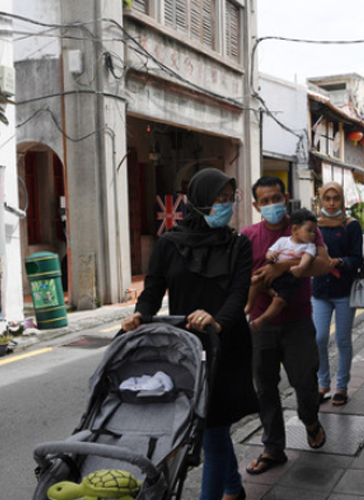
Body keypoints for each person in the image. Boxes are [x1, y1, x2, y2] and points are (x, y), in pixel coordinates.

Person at [121, 168, 257, 500]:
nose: (225, 206)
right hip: (186, 347)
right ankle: (233, 487)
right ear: (198, 201)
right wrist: (140, 314)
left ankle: (221, 492)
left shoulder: (238, 244)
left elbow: (239, 294)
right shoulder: (169, 244)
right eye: (218, 199)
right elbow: (153, 289)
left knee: (214, 429)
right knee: (207, 428)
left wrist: (217, 321)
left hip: (226, 345)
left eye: (230, 199)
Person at [242, 176, 333, 475]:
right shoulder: (248, 236)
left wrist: (282, 266)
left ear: (286, 197)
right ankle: (273, 448)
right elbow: (240, 277)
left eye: (276, 198)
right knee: (265, 388)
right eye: (265, 201)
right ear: (256, 205)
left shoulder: (303, 227)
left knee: (305, 382)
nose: (272, 205)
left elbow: (323, 263)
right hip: (261, 324)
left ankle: (310, 420)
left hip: (298, 322)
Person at [312, 182, 363, 406]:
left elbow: (357, 259)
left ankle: (341, 386)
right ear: (321, 200)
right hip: (319, 291)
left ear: (342, 200)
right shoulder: (314, 226)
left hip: (344, 291)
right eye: (327, 198)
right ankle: (323, 383)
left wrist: (340, 261)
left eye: (336, 198)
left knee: (342, 340)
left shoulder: (351, 226)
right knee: (319, 338)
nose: (331, 203)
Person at [247, 208, 319, 332]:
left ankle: (261, 320)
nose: (313, 234)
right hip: (273, 273)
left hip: (289, 280)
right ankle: (249, 306)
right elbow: (270, 251)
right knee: (255, 281)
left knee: (279, 302)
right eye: (309, 231)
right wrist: (270, 255)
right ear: (295, 229)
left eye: (314, 232)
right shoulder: (283, 241)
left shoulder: (310, 246)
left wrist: (300, 267)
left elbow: (307, 258)